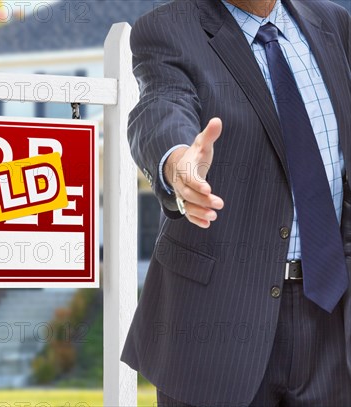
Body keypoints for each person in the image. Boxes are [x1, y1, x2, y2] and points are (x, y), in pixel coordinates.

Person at [121, 0, 351, 405]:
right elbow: (161, 105)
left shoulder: (334, 22)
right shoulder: (166, 28)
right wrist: (177, 165)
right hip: (218, 324)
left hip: (332, 316)